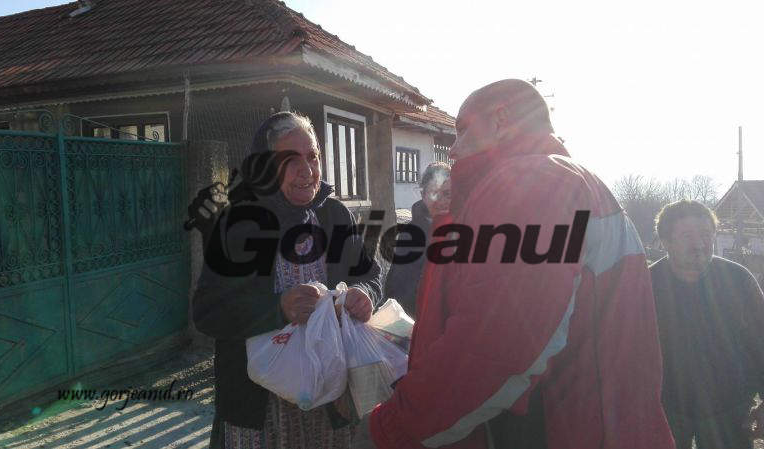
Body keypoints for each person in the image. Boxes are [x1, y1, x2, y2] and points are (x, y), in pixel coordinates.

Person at [367, 79, 675, 449]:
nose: (454, 149)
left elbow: (496, 344)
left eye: (463, 130)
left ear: (502, 120)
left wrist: (394, 427)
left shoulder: (531, 184)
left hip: (551, 432)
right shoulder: (577, 184)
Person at [190, 111, 383, 449]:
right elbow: (209, 311)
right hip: (261, 409)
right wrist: (277, 308)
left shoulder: (335, 216)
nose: (307, 170)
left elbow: (369, 274)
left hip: (331, 398)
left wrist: (363, 293)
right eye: (290, 160)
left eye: (313, 156)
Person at [650, 200, 764, 449]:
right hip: (664, 410)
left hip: (730, 410)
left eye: (705, 234)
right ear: (666, 241)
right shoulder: (646, 285)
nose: (700, 244)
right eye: (687, 236)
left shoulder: (738, 280)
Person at [384, 161, 451, 316]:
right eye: (434, 193)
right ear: (423, 195)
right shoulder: (410, 235)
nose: (441, 201)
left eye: (447, 194)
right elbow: (397, 289)